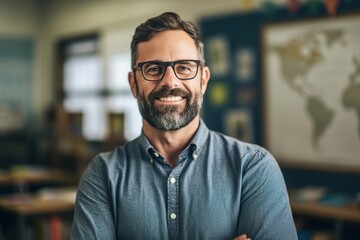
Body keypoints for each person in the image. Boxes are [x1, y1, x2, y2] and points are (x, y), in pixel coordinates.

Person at [70, 12, 298, 240]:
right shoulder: (102, 175)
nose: (170, 81)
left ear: (204, 80)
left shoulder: (252, 167)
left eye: (185, 68)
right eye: (153, 69)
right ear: (133, 84)